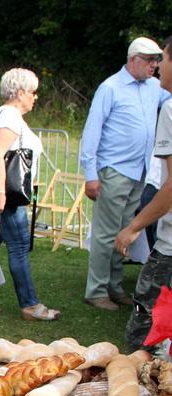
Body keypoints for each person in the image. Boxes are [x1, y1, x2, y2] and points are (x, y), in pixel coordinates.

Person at [81, 37, 170, 311]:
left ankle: (114, 285)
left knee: (124, 233)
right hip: (114, 170)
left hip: (139, 170)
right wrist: (91, 173)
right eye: (149, 60)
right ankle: (96, 290)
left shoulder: (154, 87)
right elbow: (92, 131)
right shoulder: (110, 87)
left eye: (157, 60)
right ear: (133, 60)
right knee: (106, 233)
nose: (154, 65)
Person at [0, 68, 60, 321]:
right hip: (9, 196)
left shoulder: (4, 114)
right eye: (32, 92)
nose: (35, 97)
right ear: (19, 93)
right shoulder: (9, 116)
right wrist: (0, 193)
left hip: (5, 194)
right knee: (19, 247)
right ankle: (30, 305)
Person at [115, 36, 172, 354]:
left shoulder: (170, 109)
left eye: (164, 58)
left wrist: (134, 227)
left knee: (144, 336)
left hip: (170, 247)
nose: (159, 66)